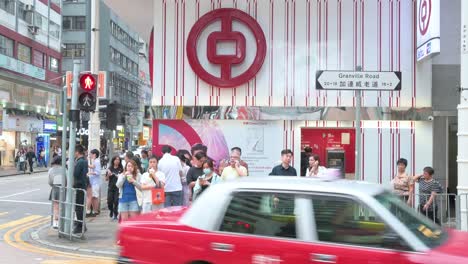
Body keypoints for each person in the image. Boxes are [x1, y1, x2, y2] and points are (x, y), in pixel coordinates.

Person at [72, 145, 88, 234]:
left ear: (77, 152)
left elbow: (76, 174)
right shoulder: (84, 161)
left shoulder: (79, 162)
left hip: (79, 186)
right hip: (82, 185)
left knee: (78, 207)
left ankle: (80, 225)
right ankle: (81, 224)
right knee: (80, 206)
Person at [48, 156, 64, 229]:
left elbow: (50, 182)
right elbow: (67, 179)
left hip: (55, 188)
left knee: (56, 206)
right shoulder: (64, 169)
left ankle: (55, 223)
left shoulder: (51, 170)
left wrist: (53, 185)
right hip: (63, 188)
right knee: (63, 205)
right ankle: (63, 221)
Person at [106, 156, 123, 220]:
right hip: (111, 187)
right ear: (113, 160)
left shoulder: (121, 169)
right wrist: (108, 175)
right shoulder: (110, 168)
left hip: (117, 188)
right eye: (116, 159)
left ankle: (115, 214)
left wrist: (116, 175)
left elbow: (122, 178)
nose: (117, 161)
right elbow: (106, 179)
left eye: (118, 160)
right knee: (109, 201)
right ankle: (111, 210)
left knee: (116, 201)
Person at [86, 149, 101, 217]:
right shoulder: (95, 161)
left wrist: (90, 173)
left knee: (93, 197)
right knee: (93, 197)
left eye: (91, 154)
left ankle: (93, 211)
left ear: (94, 154)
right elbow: (92, 166)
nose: (90, 155)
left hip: (95, 182)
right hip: (93, 182)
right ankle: (95, 211)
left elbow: (97, 172)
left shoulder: (97, 161)